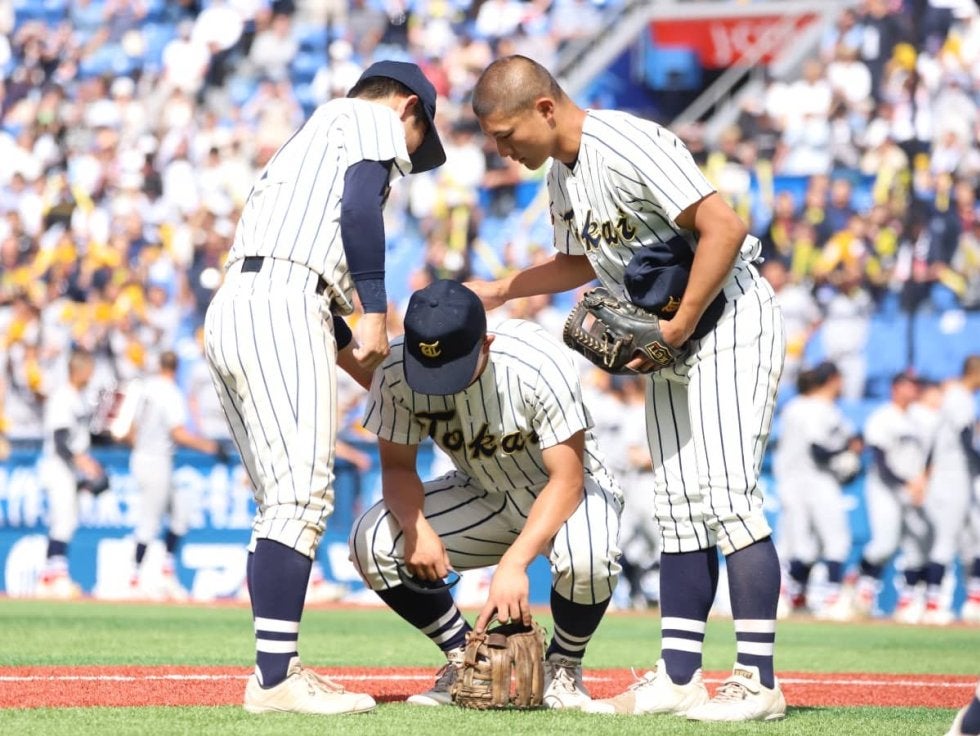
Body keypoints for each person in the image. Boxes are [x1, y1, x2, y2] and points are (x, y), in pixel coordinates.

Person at [468, 55, 787, 722]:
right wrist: (503, 288)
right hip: (673, 333)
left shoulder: (629, 141)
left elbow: (723, 228)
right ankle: (678, 677)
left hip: (726, 318)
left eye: (505, 133)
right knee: (676, 506)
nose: (500, 148)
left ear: (544, 109)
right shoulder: (560, 173)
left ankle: (758, 680)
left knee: (725, 495)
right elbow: (580, 261)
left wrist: (678, 326)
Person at [203, 59, 445, 716]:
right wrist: (374, 307)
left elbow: (309, 280)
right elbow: (361, 203)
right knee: (301, 500)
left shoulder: (311, 142)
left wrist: (376, 369)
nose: (413, 154)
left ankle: (276, 669)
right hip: (283, 303)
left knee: (282, 502)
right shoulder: (367, 117)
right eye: (421, 135)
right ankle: (277, 682)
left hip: (242, 304)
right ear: (407, 108)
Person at [348, 279, 623, 711]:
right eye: (429, 367)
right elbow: (398, 468)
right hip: (479, 489)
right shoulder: (397, 369)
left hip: (562, 490)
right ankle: (464, 658)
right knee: (374, 539)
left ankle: (564, 667)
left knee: (588, 557)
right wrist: (416, 527)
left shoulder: (535, 360)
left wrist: (515, 563)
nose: (441, 381)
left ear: (487, 343)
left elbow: (566, 479)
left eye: (453, 366)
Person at [126, 350, 226, 601]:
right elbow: (178, 433)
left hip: (145, 457)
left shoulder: (146, 388)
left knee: (180, 515)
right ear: (177, 368)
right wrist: (209, 447)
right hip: (155, 460)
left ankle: (166, 573)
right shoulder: (170, 392)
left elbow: (129, 430)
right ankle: (135, 578)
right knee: (149, 521)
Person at [773, 362, 860, 621]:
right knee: (834, 542)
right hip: (814, 480)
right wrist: (848, 452)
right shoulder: (814, 408)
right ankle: (832, 600)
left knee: (802, 547)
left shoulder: (801, 407)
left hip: (795, 482)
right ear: (832, 379)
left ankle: (795, 597)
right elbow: (818, 450)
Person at [852, 373, 932, 620]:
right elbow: (880, 461)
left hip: (913, 487)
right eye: (909, 384)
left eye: (916, 385)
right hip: (885, 488)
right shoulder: (882, 417)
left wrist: (922, 481)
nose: (914, 389)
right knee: (884, 544)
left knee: (918, 546)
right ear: (895, 387)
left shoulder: (918, 419)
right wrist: (907, 484)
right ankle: (860, 590)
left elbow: (928, 455)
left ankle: (908, 602)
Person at [36, 347, 104, 599]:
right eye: (89, 370)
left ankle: (48, 577)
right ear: (79, 370)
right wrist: (83, 463)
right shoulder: (63, 397)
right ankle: (56, 578)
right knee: (63, 521)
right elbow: (60, 440)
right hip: (58, 467)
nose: (91, 375)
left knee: (66, 521)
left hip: (68, 468)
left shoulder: (77, 397)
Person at [920, 357, 980, 624]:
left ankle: (973, 601)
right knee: (945, 541)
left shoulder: (957, 395)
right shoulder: (959, 396)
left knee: (974, 541)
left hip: (959, 477)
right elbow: (966, 438)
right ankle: (933, 605)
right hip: (951, 477)